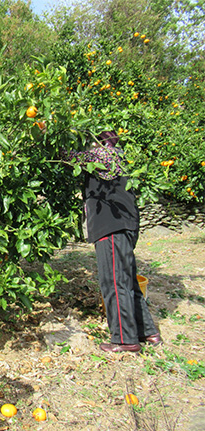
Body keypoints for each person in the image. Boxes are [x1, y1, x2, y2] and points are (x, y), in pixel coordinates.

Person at [64, 131, 162, 353]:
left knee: (114, 284)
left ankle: (125, 339)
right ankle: (148, 332)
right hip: (123, 227)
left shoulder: (104, 156)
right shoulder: (119, 158)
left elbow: (71, 157)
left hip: (111, 228)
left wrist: (43, 134)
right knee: (127, 281)